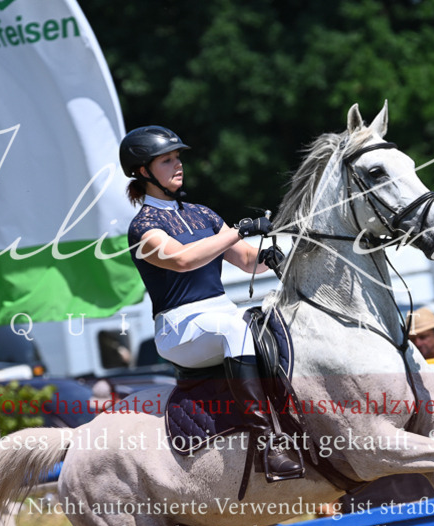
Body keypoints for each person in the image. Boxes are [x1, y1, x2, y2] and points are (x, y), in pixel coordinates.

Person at [119, 125, 301, 480]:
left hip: (220, 315)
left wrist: (281, 249)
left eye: (178, 158)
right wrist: (237, 230)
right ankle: (267, 445)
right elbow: (183, 259)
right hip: (180, 328)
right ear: (143, 171)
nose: (178, 165)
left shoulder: (203, 213)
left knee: (279, 326)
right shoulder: (143, 227)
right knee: (236, 328)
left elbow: (249, 260)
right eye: (167, 160)